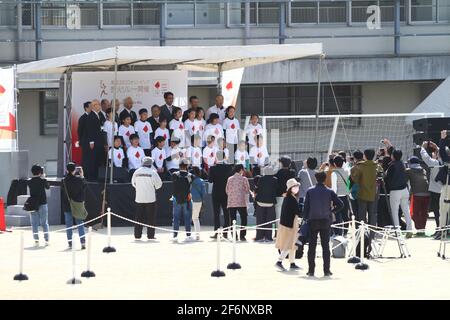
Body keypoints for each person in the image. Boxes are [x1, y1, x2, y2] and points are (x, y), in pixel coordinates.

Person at [303, 171, 343, 277]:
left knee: (312, 246)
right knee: (325, 246)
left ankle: (311, 270)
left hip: (313, 220)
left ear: (316, 179)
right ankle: (326, 270)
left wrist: (305, 218)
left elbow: (306, 207)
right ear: (325, 179)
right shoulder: (329, 191)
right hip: (325, 220)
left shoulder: (310, 191)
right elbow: (340, 204)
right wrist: (332, 211)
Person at [131, 157, 162, 240]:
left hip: (139, 198)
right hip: (150, 198)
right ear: (150, 164)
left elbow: (133, 183)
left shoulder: (136, 172)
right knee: (151, 218)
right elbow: (159, 185)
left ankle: (137, 235)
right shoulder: (153, 172)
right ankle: (150, 235)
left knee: (138, 217)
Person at [275, 178, 301, 272]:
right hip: (289, 225)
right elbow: (298, 211)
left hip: (289, 224)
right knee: (289, 244)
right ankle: (279, 261)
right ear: (290, 188)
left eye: (297, 186)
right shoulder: (291, 199)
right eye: (295, 186)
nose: (297, 188)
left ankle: (292, 263)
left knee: (292, 244)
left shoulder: (289, 197)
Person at [384, 149, 412, 236]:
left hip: (395, 191)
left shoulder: (392, 165)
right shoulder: (403, 164)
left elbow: (387, 178)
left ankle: (397, 231)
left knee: (394, 212)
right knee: (406, 210)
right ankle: (409, 230)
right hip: (404, 190)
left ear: (393, 156)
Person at [351, 149, 380, 233]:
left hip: (362, 194)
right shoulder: (377, 165)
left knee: (362, 215)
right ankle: (372, 233)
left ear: (365, 156)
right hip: (373, 193)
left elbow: (354, 179)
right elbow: (382, 175)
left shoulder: (360, 166)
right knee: (373, 214)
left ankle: (363, 233)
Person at [420, 140, 443, 238]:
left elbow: (425, 158)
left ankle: (439, 230)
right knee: (444, 212)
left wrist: (423, 147)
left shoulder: (435, 163)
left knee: (437, 212)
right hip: (444, 190)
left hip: (435, 191)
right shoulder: (444, 162)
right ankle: (443, 230)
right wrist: (437, 147)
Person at [61, 163, 87, 250]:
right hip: (77, 205)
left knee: (69, 225)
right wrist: (82, 176)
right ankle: (83, 242)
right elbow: (84, 187)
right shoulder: (79, 180)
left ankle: (70, 243)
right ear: (75, 170)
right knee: (80, 223)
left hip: (67, 205)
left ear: (66, 170)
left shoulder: (64, 181)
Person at [208, 152, 233, 239]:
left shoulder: (212, 168)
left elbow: (210, 180)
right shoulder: (229, 167)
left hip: (216, 193)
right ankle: (226, 232)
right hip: (226, 193)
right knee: (226, 213)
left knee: (216, 213)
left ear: (216, 157)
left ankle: (216, 232)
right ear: (225, 157)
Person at [226, 164, 251, 241]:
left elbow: (227, 190)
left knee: (232, 219)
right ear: (241, 170)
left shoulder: (230, 179)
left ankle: (234, 235)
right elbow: (247, 190)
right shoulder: (244, 179)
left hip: (231, 202)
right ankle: (242, 235)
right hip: (241, 202)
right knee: (244, 218)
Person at [406, 156, 430, 236]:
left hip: (416, 194)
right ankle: (422, 229)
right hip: (427, 194)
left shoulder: (409, 170)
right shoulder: (423, 170)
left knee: (414, 213)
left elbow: (405, 180)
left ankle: (419, 229)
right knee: (424, 213)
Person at [253, 166, 278, 242]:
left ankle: (259, 237)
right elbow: (276, 189)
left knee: (260, 220)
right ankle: (268, 237)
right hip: (270, 202)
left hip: (260, 202)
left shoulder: (261, 179)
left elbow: (258, 188)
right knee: (269, 221)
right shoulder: (275, 180)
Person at [171, 160, 194, 242]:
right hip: (187, 199)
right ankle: (188, 235)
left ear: (179, 166)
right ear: (186, 166)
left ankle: (175, 236)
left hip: (176, 199)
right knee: (187, 218)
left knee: (176, 218)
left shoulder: (174, 174)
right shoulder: (190, 175)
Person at [28, 164, 50, 247]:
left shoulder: (29, 182)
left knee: (34, 223)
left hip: (33, 204)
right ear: (40, 172)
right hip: (43, 203)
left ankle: (36, 240)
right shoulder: (42, 180)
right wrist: (44, 178)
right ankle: (47, 240)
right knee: (44, 223)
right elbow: (48, 187)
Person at [85, 99, 106, 181]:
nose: (99, 106)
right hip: (94, 142)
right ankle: (92, 178)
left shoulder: (98, 115)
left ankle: (98, 176)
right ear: (93, 106)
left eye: (99, 104)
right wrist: (91, 142)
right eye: (97, 104)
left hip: (99, 141)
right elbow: (90, 129)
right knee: (93, 160)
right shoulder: (91, 116)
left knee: (98, 160)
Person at [275, 156, 296, 233]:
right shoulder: (292, 172)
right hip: (290, 197)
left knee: (278, 216)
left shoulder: (277, 173)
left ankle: (278, 233)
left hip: (279, 196)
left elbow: (277, 186)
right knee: (290, 215)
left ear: (281, 163)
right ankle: (288, 232)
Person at [331, 155, 350, 236]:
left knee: (337, 215)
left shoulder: (334, 173)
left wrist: (332, 199)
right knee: (345, 214)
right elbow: (349, 185)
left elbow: (334, 188)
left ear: (334, 164)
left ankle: (338, 232)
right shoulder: (347, 171)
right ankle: (345, 231)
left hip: (337, 197)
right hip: (345, 196)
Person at [190, 167, 206, 240]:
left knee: (188, 218)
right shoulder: (201, 181)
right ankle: (197, 235)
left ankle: (189, 235)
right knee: (196, 218)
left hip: (189, 200)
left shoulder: (189, 180)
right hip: (198, 201)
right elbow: (204, 193)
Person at [78, 101, 91, 178]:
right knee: (86, 159)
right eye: (90, 107)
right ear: (86, 108)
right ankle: (84, 175)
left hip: (92, 142)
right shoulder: (82, 118)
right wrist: (82, 141)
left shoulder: (92, 116)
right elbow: (80, 131)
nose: (92, 108)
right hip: (85, 142)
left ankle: (90, 174)